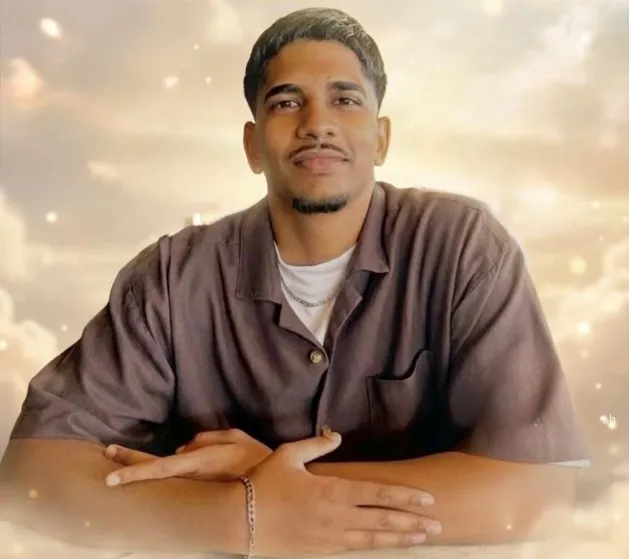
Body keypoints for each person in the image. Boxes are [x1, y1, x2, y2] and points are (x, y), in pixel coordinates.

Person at [0, 7, 590, 558]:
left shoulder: (463, 248)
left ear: (381, 138)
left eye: (345, 100)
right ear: (252, 145)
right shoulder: (172, 278)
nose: (317, 125)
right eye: (287, 102)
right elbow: (32, 476)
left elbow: (534, 492)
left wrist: (266, 482)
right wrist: (242, 516)